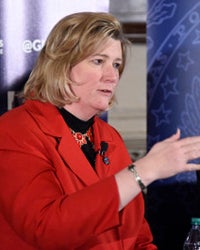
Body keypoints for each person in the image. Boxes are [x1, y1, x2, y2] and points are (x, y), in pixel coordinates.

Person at [0, 11, 200, 250]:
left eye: (116, 65)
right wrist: (143, 171)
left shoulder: (109, 137)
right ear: (62, 65)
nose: (112, 76)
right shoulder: (16, 130)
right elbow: (46, 228)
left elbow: (138, 237)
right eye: (98, 61)